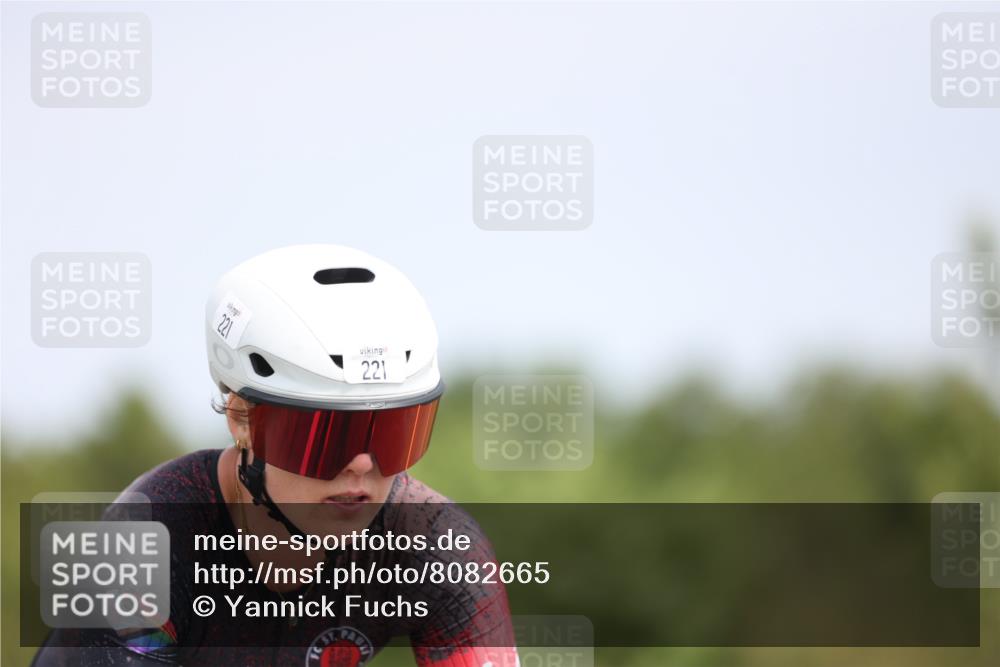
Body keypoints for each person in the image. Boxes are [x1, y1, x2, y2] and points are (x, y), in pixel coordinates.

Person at [31, 245, 520, 667]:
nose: (363, 467)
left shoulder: (438, 546)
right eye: (328, 437)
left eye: (393, 435)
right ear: (243, 420)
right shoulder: (138, 544)